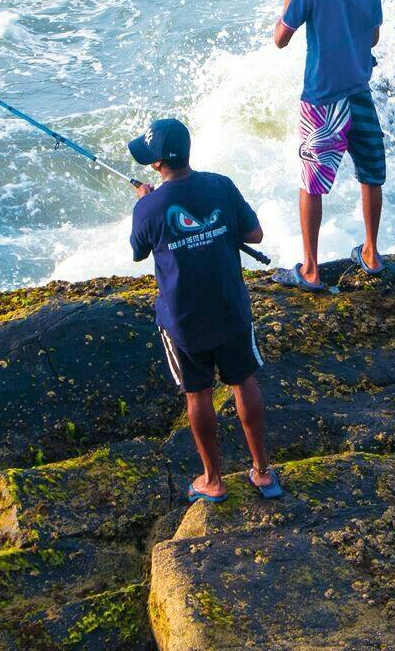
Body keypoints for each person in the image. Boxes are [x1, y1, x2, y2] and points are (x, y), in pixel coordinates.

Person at [128, 117, 283, 503]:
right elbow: (255, 235)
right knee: (243, 380)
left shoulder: (149, 207)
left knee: (197, 393)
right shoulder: (220, 185)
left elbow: (137, 252)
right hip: (230, 308)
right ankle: (262, 473)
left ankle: (213, 480)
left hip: (184, 321)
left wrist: (146, 200)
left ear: (158, 163)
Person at [272, 0, 387, 291]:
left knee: (313, 183)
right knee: (370, 174)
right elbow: (372, 38)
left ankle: (311, 270)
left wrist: (287, 5)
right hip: (360, 95)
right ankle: (371, 253)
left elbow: (280, 40)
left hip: (323, 104)